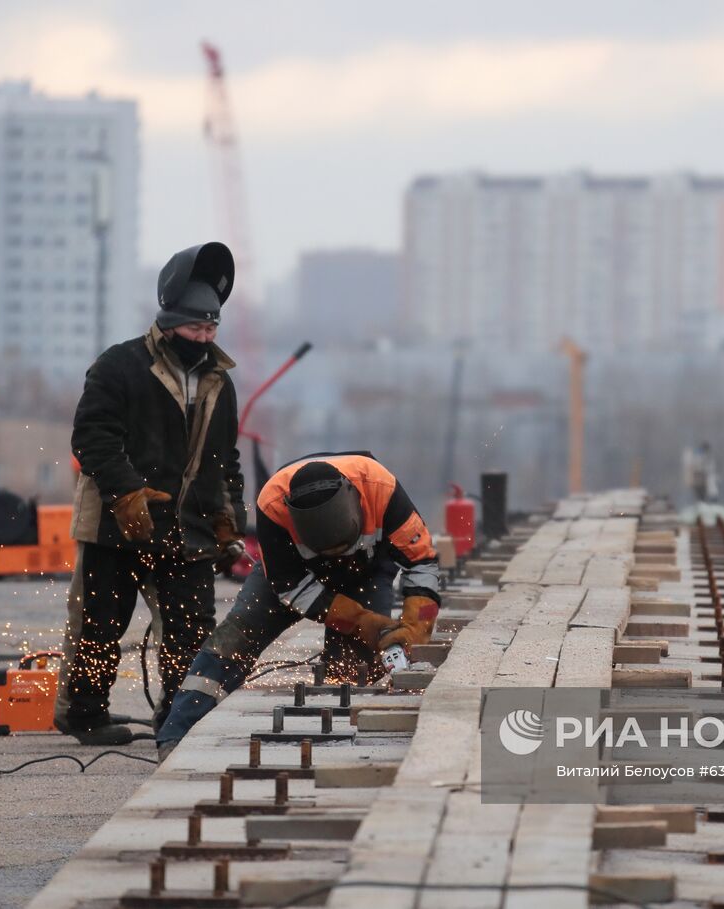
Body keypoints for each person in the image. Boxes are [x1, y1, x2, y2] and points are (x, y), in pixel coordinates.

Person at [55, 242, 248, 746]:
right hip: (114, 528)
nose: (203, 338)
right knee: (99, 624)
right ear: (168, 323)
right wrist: (126, 493)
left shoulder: (218, 384)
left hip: (189, 531)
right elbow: (92, 437)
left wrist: (230, 518)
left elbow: (224, 458)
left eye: (211, 330)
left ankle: (178, 715)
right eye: (194, 329)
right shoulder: (118, 366)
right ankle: (85, 714)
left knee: (191, 631)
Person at [155, 454, 441, 759]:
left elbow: (422, 562)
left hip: (365, 572)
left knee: (354, 667)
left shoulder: (381, 489)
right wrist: (360, 620)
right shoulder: (272, 504)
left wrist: (414, 629)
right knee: (236, 637)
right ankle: (176, 733)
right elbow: (290, 587)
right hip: (295, 575)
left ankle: (345, 743)